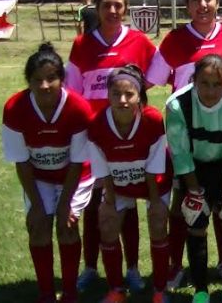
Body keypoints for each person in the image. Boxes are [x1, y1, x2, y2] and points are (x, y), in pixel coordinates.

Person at [146, 0, 222, 290]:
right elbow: (151, 81)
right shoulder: (174, 40)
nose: (202, 4)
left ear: (217, 1)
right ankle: (176, 265)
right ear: (187, 5)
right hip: (185, 138)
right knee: (183, 201)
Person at [66, 0, 158, 292]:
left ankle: (131, 268)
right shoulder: (82, 45)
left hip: (127, 136)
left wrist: (133, 104)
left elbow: (156, 75)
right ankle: (91, 267)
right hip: (94, 138)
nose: (113, 11)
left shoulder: (139, 42)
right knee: (95, 204)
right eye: (108, 5)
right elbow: (73, 91)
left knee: (127, 203)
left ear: (126, 8)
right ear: (98, 9)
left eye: (119, 5)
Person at [2, 43, 94, 303]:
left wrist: (64, 204)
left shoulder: (78, 108)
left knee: (67, 226)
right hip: (38, 176)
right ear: (28, 82)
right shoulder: (14, 108)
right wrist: (38, 206)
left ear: (62, 79)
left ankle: (69, 292)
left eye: (51, 78)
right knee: (39, 226)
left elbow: (77, 162)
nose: (44, 86)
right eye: (37, 80)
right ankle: (45, 293)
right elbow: (22, 162)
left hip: (74, 175)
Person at [165, 55, 222, 303]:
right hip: (195, 168)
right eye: (204, 83)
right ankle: (201, 290)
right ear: (194, 80)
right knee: (196, 223)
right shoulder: (177, 105)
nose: (211, 91)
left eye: (218, 84)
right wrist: (193, 191)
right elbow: (180, 154)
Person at [87, 65, 172, 303]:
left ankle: (159, 290)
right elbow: (102, 168)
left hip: (153, 183)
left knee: (157, 222)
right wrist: (110, 203)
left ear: (139, 96)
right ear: (108, 95)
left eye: (129, 94)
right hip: (118, 183)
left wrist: (155, 202)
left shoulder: (153, 119)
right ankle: (116, 289)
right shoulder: (96, 125)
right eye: (116, 94)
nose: (122, 100)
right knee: (107, 222)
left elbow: (155, 167)